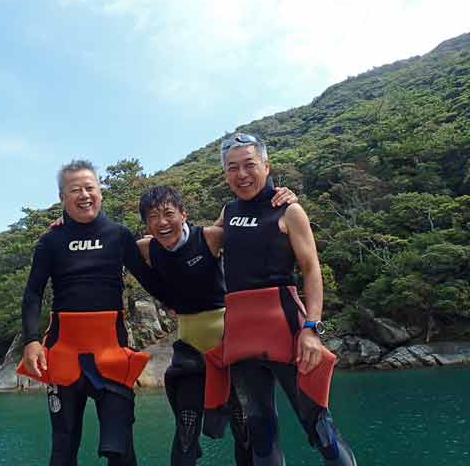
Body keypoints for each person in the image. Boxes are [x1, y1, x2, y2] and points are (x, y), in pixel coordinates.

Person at [209, 133, 357, 465]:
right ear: (225, 174)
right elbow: (199, 244)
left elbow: (311, 269)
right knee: (260, 432)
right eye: (232, 168)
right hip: (242, 336)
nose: (242, 174)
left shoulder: (289, 210)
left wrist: (312, 329)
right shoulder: (228, 212)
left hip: (286, 329)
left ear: (266, 166)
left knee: (319, 427)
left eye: (249, 165)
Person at [19, 159, 170, 466]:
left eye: (90, 187)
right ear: (62, 197)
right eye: (75, 190)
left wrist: (180, 298)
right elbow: (33, 292)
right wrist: (31, 340)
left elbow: (150, 279)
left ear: (100, 192)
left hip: (111, 355)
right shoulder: (50, 241)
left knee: (120, 449)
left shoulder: (119, 235)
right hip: (63, 354)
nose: (85, 195)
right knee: (63, 449)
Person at [136, 184, 297, 466]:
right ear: (146, 224)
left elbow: (257, 229)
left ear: (184, 214)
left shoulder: (210, 238)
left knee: (243, 426)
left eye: (168, 213)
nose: (162, 222)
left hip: (230, 345)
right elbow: (105, 243)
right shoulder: (146, 249)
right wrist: (64, 223)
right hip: (189, 350)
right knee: (186, 430)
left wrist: (283, 203)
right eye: (153, 217)